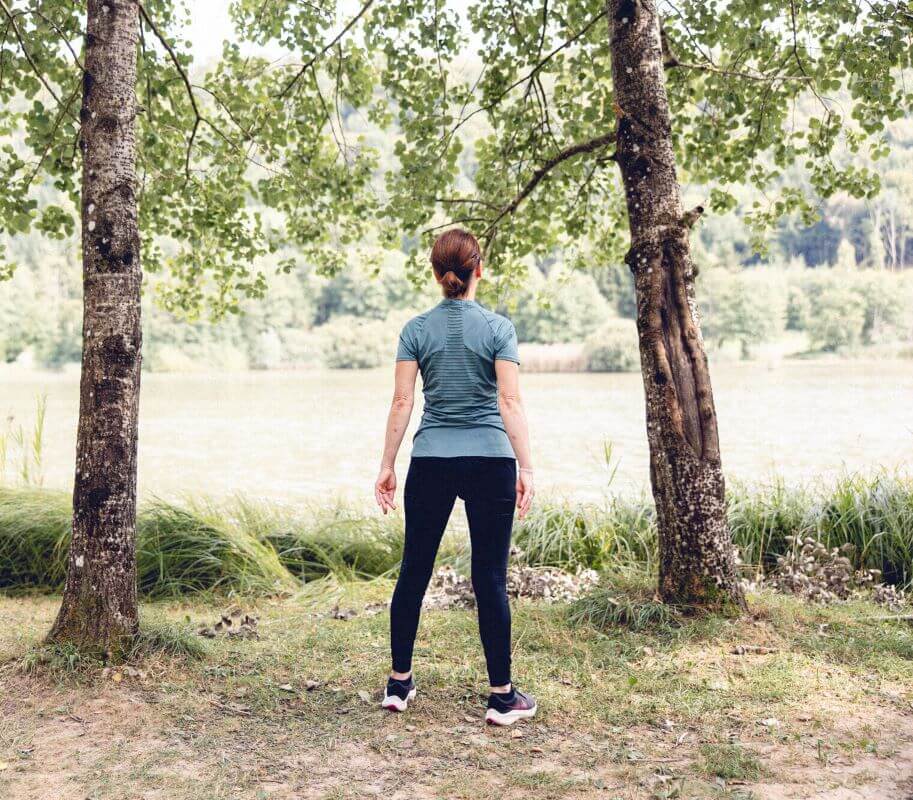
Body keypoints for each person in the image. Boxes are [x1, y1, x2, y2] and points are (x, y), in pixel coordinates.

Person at [374, 228, 537, 726]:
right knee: (489, 575)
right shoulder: (498, 328)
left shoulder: (415, 329)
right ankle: (502, 697)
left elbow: (403, 401)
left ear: (436, 273)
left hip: (431, 461)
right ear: (478, 270)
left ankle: (399, 684)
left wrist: (387, 464)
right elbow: (508, 401)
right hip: (491, 460)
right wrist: (526, 465)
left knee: (414, 570)